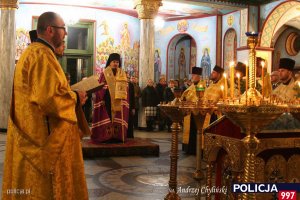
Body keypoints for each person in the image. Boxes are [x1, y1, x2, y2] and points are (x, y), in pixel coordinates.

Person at [1, 12, 88, 199]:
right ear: (50, 30)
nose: (65, 34)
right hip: (43, 140)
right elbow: (49, 99)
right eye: (63, 29)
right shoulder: (42, 55)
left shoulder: (31, 52)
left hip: (30, 134)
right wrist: (75, 97)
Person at [92, 53, 129, 143]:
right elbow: (100, 87)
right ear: (110, 62)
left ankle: (117, 136)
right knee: (108, 116)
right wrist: (102, 98)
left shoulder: (122, 73)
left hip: (119, 99)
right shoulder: (105, 73)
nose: (115, 64)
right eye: (114, 62)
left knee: (117, 117)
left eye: (117, 62)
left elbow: (126, 86)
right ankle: (106, 136)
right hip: (107, 99)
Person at [181, 67, 206, 154]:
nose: (192, 76)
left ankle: (196, 149)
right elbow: (185, 95)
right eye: (192, 75)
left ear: (199, 76)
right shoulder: (191, 86)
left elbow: (200, 98)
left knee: (196, 131)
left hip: (197, 113)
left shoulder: (202, 85)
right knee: (190, 131)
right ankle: (189, 149)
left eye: (194, 75)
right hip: (189, 112)